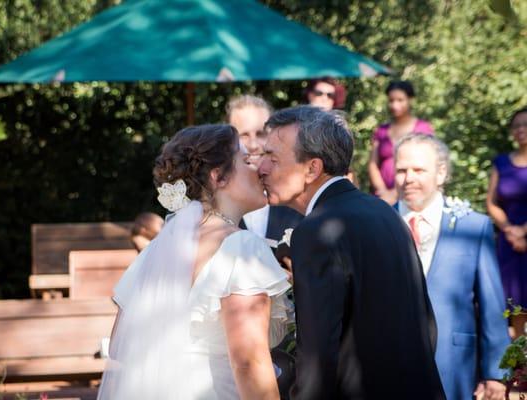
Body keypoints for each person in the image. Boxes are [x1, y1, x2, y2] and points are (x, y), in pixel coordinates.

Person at [258, 105, 445, 400]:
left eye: (272, 157)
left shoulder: (316, 230)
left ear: (312, 169)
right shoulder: (385, 212)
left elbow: (318, 354)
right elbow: (427, 326)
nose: (261, 168)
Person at [97, 124, 291, 400]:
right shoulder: (241, 247)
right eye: (246, 160)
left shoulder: (155, 251)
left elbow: (120, 345)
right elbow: (249, 362)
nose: (258, 168)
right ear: (218, 178)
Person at [395, 134, 509, 400]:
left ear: (441, 172)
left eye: (419, 169)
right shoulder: (376, 222)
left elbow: (491, 302)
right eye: (401, 170)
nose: (408, 178)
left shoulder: (473, 226)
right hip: (390, 363)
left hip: (454, 365)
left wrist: (495, 372)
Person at [226, 95, 302, 245]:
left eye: (260, 134)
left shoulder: (296, 193)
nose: (253, 144)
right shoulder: (216, 197)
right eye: (244, 135)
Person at [487, 108, 527, 312]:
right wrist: (511, 231)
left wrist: (524, 230)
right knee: (514, 306)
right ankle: (519, 345)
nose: (521, 129)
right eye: (516, 125)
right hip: (509, 241)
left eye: (525, 124)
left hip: (522, 234)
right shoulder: (501, 162)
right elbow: (491, 202)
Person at [368, 80, 434, 204]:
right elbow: (373, 164)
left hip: (411, 194)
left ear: (410, 100)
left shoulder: (423, 128)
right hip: (381, 197)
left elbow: (428, 164)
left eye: (400, 100)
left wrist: (395, 193)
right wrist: (382, 191)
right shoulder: (381, 130)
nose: (395, 105)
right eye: (391, 100)